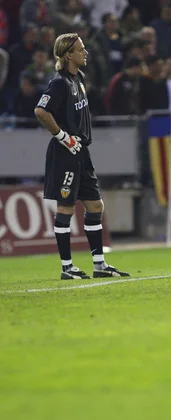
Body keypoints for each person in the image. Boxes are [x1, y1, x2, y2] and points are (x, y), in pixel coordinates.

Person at [34, 32, 130, 279]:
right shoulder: (60, 83)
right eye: (81, 49)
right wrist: (63, 137)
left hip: (82, 151)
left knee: (95, 204)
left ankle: (99, 264)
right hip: (65, 152)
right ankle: (67, 268)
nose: (85, 53)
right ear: (68, 55)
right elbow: (41, 111)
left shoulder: (80, 79)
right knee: (65, 206)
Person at [7, 22, 39, 88]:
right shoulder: (14, 51)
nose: (35, 36)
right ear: (25, 35)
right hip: (17, 85)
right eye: (32, 34)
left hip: (37, 86)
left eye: (36, 34)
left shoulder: (39, 50)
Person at [93, 12, 124, 77]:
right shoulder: (99, 38)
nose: (114, 23)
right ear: (105, 23)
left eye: (116, 21)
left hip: (120, 68)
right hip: (106, 69)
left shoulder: (122, 36)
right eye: (111, 21)